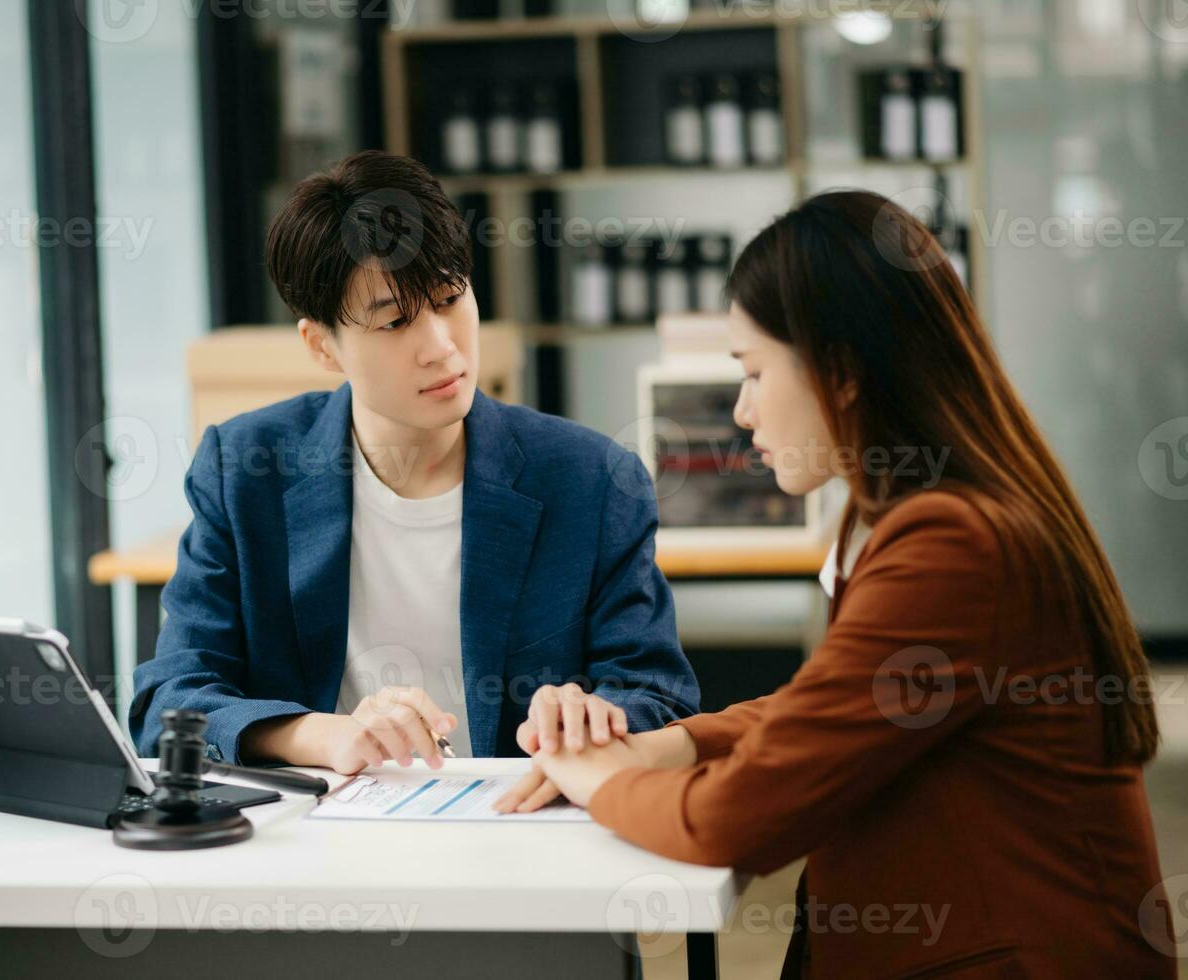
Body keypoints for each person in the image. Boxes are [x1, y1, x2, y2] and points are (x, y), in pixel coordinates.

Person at [495, 190, 1175, 977]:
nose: (744, 412)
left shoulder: (951, 543)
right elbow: (828, 709)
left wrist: (599, 779)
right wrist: (666, 745)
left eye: (752, 374)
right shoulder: (917, 513)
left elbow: (736, 820)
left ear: (841, 371)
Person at [129, 150, 699, 778]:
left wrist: (593, 714)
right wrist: (321, 736)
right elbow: (166, 702)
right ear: (322, 346)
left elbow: (659, 697)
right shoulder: (243, 471)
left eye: (450, 298)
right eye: (396, 321)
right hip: (318, 836)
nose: (441, 347)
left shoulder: (590, 478)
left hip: (518, 831)